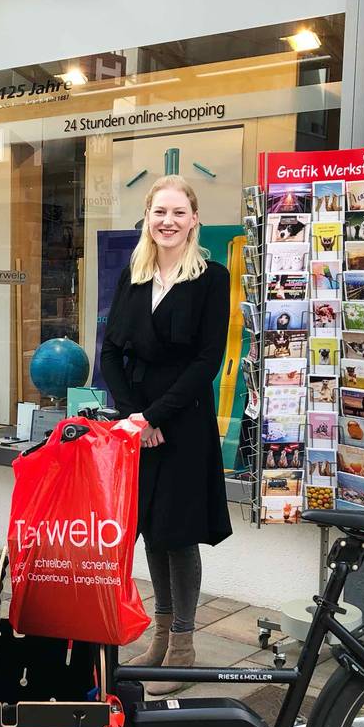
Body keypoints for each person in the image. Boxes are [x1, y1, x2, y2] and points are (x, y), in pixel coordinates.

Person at [101, 175, 232, 695]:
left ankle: (183, 644)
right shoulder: (132, 277)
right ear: (147, 217)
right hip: (138, 424)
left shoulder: (211, 277)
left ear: (193, 220)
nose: (168, 221)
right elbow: (110, 352)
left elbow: (207, 361)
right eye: (160, 211)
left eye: (179, 212)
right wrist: (135, 418)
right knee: (151, 529)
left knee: (178, 533)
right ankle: (159, 635)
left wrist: (156, 417)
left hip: (183, 421)